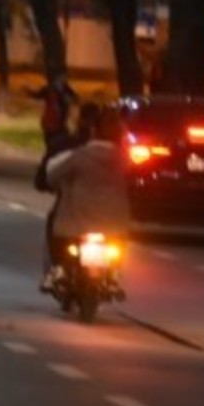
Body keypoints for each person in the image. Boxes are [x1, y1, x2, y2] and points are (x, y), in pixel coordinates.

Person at [41, 108, 130, 291]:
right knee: (118, 246)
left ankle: (58, 270)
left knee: (59, 236)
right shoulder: (124, 160)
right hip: (113, 223)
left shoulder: (79, 156)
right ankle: (113, 274)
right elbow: (136, 183)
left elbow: (52, 177)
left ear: (94, 131)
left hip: (77, 222)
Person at [30, 73, 79, 151]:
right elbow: (38, 95)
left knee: (60, 139)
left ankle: (54, 153)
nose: (62, 80)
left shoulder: (66, 90)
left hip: (60, 121)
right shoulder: (49, 89)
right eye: (60, 78)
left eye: (63, 78)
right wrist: (29, 92)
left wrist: (70, 100)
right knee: (50, 139)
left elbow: (75, 99)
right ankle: (50, 153)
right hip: (50, 120)